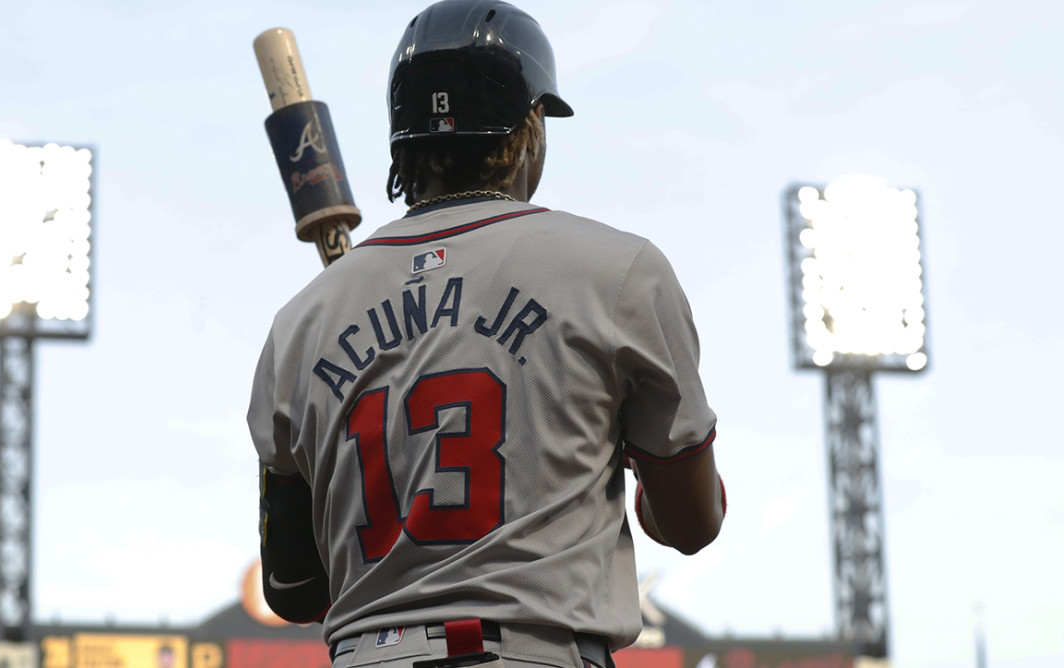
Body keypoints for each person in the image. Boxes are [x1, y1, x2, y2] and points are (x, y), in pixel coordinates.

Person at [247, 2, 726, 667]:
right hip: (536, 652)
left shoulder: (301, 320)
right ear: (529, 127)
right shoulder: (616, 271)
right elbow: (693, 523)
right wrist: (618, 459)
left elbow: (294, 588)